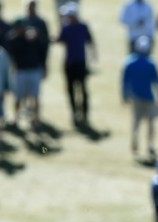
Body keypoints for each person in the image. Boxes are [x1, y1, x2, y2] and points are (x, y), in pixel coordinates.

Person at [6, 0, 50, 128]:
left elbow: (44, 45)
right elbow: (9, 43)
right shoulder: (16, 36)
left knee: (35, 96)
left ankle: (36, 119)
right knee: (18, 97)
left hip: (34, 68)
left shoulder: (40, 25)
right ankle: (16, 118)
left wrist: (37, 36)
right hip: (20, 69)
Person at [122, 35, 158, 160]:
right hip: (149, 97)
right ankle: (150, 145)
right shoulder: (151, 63)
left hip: (135, 97)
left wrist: (124, 95)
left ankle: (135, 141)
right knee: (151, 123)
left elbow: (125, 81)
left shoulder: (130, 62)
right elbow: (157, 82)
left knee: (136, 122)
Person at [56, 2, 95, 127]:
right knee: (71, 90)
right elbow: (59, 39)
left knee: (83, 89)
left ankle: (84, 114)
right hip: (69, 63)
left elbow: (90, 41)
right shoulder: (66, 27)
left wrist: (94, 55)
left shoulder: (83, 27)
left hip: (80, 63)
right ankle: (74, 113)